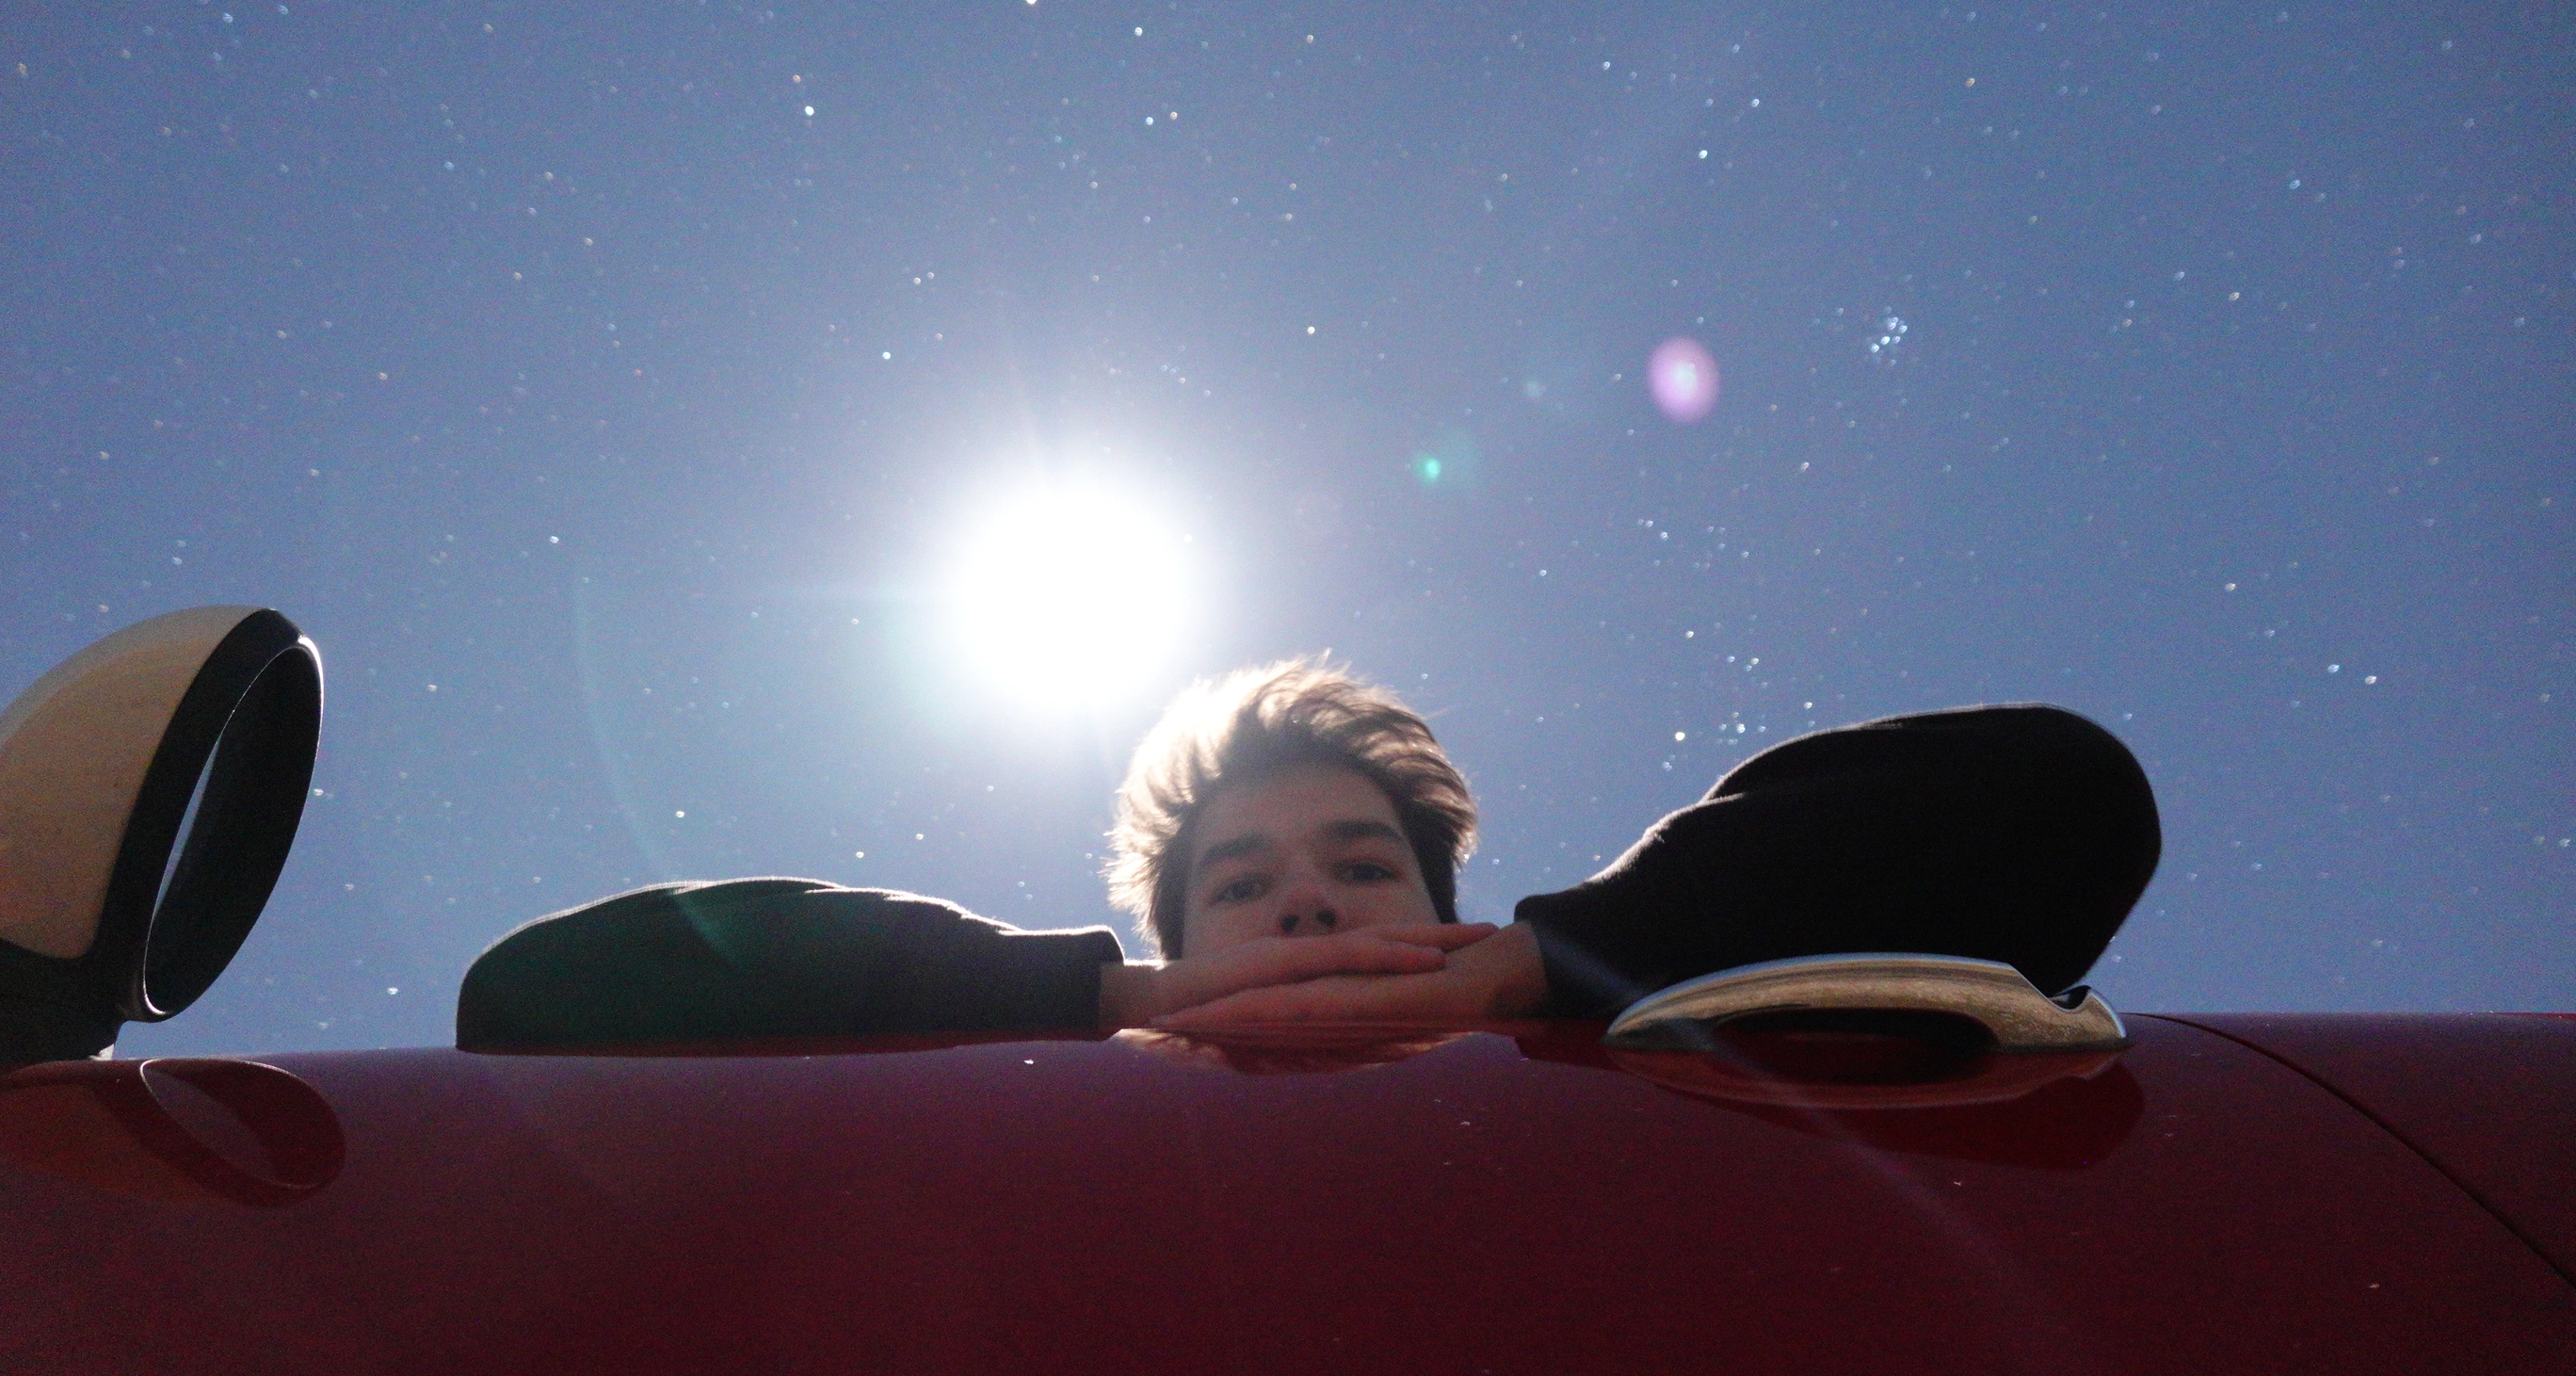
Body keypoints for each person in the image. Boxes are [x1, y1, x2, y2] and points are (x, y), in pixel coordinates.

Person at [455, 660, 2159, 1048]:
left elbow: (2058, 798)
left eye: (1358, 863)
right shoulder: (1051, 1100)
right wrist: (1101, 998)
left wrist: (1551, 969)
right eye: (1240, 886)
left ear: (1451, 908)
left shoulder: (1670, 1051)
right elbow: (536, 1003)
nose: (1305, 898)